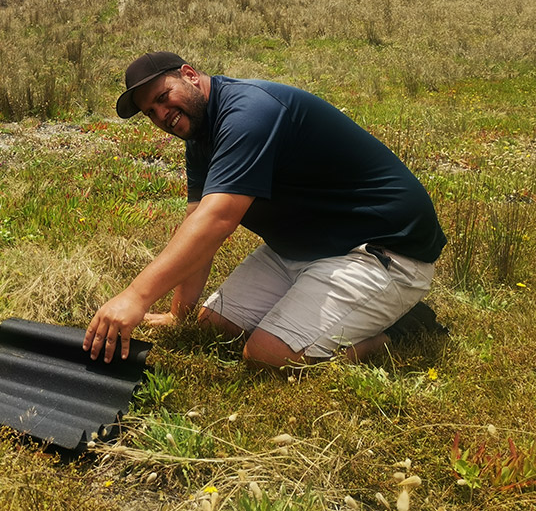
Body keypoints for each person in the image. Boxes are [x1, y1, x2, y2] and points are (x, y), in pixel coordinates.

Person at [83, 51, 446, 370]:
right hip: (302, 248)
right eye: (151, 112)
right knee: (210, 325)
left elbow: (219, 219)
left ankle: (396, 333)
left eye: (164, 97)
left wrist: (135, 296)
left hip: (381, 251)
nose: (163, 114)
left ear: (190, 75)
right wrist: (180, 315)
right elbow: (198, 224)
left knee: (267, 356)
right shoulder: (199, 136)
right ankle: (332, 315)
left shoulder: (249, 112)